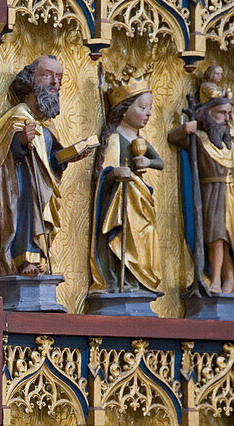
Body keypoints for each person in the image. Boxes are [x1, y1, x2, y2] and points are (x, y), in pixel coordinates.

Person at [0, 55, 87, 276]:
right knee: (27, 206)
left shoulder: (48, 125)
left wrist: (69, 156)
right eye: (47, 75)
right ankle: (24, 258)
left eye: (59, 78)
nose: (55, 82)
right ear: (30, 81)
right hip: (21, 186)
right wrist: (21, 141)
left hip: (43, 189)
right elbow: (5, 155)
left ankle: (39, 257)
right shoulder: (17, 116)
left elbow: (51, 162)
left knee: (41, 210)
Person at [90, 75, 163, 294]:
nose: (148, 113)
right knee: (123, 237)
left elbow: (159, 162)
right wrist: (114, 173)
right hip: (121, 202)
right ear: (124, 109)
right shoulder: (114, 138)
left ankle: (140, 280)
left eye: (150, 108)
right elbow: (102, 173)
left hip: (140, 200)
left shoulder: (139, 139)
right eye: (142, 107)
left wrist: (147, 161)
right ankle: (122, 278)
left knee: (145, 236)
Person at [168, 94, 234, 293]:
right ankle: (218, 281)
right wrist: (186, 128)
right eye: (221, 113)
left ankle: (226, 280)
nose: (226, 118)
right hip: (209, 191)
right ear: (209, 116)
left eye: (229, 113)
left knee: (226, 238)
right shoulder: (201, 140)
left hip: (227, 192)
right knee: (215, 238)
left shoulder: (227, 144)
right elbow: (174, 138)